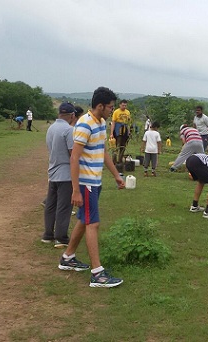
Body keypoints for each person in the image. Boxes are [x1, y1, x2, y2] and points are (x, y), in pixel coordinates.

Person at [59, 86, 125, 288]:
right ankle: (98, 274)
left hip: (95, 182)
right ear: (100, 106)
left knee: (83, 220)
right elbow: (74, 158)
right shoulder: (84, 124)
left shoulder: (101, 122)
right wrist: (76, 190)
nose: (112, 110)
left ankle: (68, 257)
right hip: (86, 184)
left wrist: (116, 176)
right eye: (110, 107)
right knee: (92, 223)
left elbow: (103, 151)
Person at [42, 103, 79, 248]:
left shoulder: (51, 128)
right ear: (72, 115)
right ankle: (61, 237)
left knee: (50, 205)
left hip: (53, 171)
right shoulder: (69, 130)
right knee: (64, 207)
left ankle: (48, 234)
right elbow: (73, 154)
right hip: (65, 174)